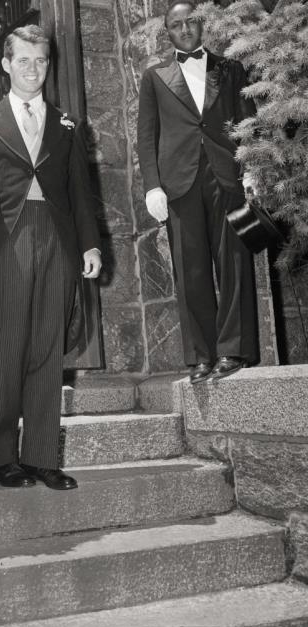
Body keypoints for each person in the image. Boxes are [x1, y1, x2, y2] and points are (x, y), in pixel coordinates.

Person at [0, 25, 102, 490]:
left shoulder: (68, 124)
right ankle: (2, 456)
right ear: (5, 64)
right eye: (23, 60)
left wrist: (90, 243)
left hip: (59, 241)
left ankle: (43, 456)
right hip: (7, 237)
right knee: (6, 347)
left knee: (48, 348)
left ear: (49, 64)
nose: (32, 69)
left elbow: (82, 193)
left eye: (40, 60)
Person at [137, 0, 258, 384]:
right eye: (176, 24)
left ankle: (233, 349)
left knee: (234, 263)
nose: (185, 28)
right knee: (190, 270)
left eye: (191, 22)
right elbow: (146, 136)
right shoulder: (154, 76)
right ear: (167, 32)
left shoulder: (231, 69)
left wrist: (253, 167)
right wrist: (153, 186)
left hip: (227, 175)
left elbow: (247, 121)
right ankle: (201, 356)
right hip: (179, 181)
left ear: (201, 25)